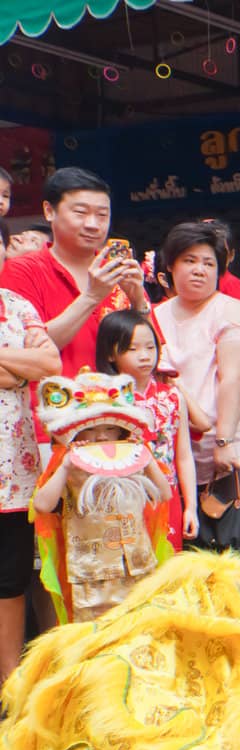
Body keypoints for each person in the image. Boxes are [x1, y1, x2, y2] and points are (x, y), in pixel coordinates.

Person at [149, 221, 240, 568]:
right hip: (178, 451)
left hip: (236, 444)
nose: (199, 270)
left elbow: (231, 379)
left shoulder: (230, 310)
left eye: (208, 263)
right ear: (169, 267)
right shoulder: (155, 317)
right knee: (192, 552)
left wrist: (223, 441)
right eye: (189, 261)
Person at [31, 373, 171, 623]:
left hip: (138, 566)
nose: (102, 436)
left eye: (109, 428)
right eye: (92, 429)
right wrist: (65, 466)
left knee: (141, 630)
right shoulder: (69, 464)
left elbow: (165, 493)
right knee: (94, 637)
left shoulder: (135, 457)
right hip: (91, 574)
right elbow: (42, 505)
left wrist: (146, 459)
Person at [0, 167, 147, 379]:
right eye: (80, 213)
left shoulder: (118, 269)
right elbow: (25, 353)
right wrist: (91, 297)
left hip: (119, 405)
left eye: (102, 215)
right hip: (54, 406)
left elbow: (152, 352)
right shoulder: (20, 270)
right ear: (49, 211)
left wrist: (138, 300)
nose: (93, 224)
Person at [0, 226, 62, 684]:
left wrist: (20, 368)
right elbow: (30, 363)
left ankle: (10, 683)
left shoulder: (18, 307)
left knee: (10, 578)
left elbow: (49, 365)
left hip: (12, 472)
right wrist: (16, 364)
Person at [96, 311, 201, 552]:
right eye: (132, 349)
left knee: (166, 568)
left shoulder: (172, 397)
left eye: (150, 348)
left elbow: (183, 455)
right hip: (121, 496)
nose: (144, 356)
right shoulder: (103, 400)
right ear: (111, 354)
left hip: (167, 495)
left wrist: (190, 507)